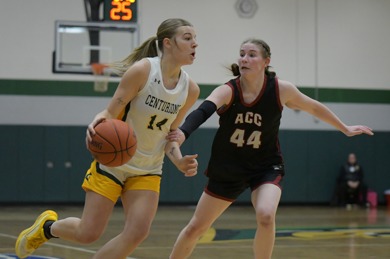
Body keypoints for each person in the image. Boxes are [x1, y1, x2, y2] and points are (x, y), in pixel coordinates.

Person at [167, 38, 374, 259]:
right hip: (229, 168)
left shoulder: (280, 89)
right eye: (242, 54)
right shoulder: (229, 90)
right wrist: (183, 132)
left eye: (252, 54)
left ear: (267, 61)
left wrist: (343, 127)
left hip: (265, 166)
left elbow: (312, 106)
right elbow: (203, 111)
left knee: (266, 216)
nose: (244, 59)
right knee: (195, 228)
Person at [15, 18, 200, 259]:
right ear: (167, 43)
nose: (194, 43)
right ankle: (47, 228)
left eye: (195, 39)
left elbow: (171, 136)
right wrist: (98, 119)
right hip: (113, 164)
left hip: (148, 169)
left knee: (137, 233)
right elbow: (111, 111)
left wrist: (178, 160)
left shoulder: (191, 90)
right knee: (87, 233)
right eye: (187, 38)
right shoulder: (143, 71)